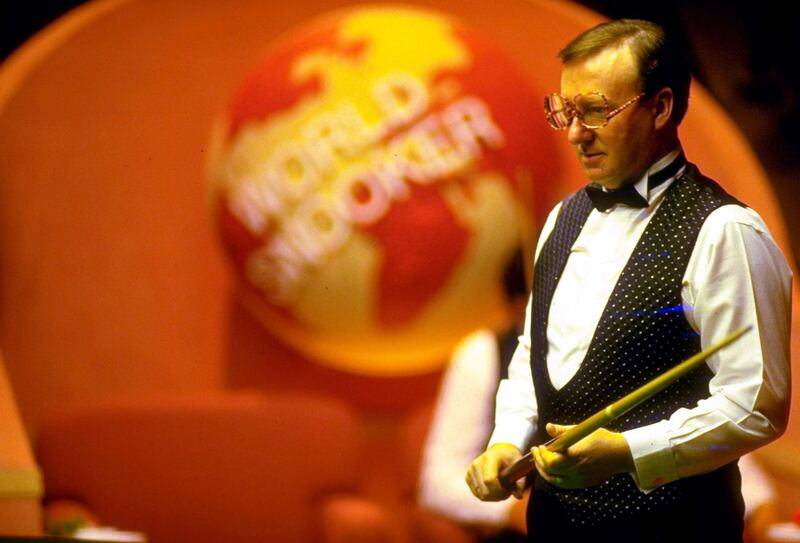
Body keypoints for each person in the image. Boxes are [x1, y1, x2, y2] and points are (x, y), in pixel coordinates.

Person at [465, 19, 792, 543]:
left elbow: (755, 407)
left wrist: (631, 452)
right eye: (566, 112)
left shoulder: (724, 231)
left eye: (595, 110)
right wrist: (506, 440)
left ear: (660, 107)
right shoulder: (561, 218)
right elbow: (535, 356)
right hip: (552, 527)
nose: (575, 132)